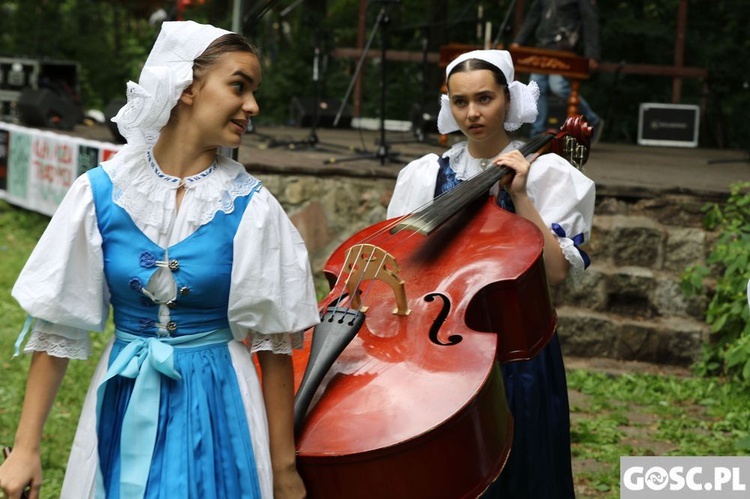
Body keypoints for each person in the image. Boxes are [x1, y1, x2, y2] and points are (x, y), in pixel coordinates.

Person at [0, 21, 319, 499]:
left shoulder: (251, 207)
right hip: (124, 395)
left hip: (220, 403)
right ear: (187, 88)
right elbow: (58, 326)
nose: (252, 106)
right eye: (239, 86)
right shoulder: (101, 193)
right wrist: (26, 448)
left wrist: (284, 470)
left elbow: (275, 347)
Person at [387, 49, 595, 498]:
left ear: (508, 99)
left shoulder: (547, 172)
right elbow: (403, 263)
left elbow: (556, 275)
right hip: (439, 350)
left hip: (516, 350)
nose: (473, 113)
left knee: (520, 473)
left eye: (485, 98)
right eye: (460, 102)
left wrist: (520, 197)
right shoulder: (425, 175)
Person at [510, 0, 602, 141]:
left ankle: (591, 119)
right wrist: (519, 41)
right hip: (542, 47)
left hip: (563, 47)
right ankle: (537, 133)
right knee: (536, 88)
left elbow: (589, 20)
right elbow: (533, 16)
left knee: (558, 86)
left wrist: (592, 54)